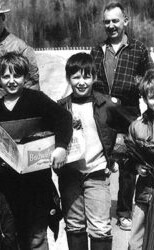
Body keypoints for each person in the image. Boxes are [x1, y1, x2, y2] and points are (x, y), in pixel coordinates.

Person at [0, 52, 72, 250]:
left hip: (36, 184)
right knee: (9, 235)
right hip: (7, 186)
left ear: (25, 77)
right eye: (6, 76)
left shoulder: (37, 100)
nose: (11, 81)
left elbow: (63, 119)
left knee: (36, 236)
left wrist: (61, 147)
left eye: (16, 75)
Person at [90, 1, 154, 231]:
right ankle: (99, 208)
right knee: (101, 160)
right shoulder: (97, 50)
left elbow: (149, 82)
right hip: (104, 112)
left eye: (115, 20)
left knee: (129, 163)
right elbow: (91, 83)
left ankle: (125, 211)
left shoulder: (139, 49)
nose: (111, 25)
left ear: (125, 21)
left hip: (129, 112)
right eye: (106, 22)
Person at [57, 52, 117, 250]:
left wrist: (116, 157)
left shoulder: (105, 104)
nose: (81, 82)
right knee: (74, 225)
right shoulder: (60, 107)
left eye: (86, 76)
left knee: (100, 227)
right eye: (76, 77)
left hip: (97, 174)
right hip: (70, 176)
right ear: (68, 78)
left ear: (94, 78)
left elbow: (126, 132)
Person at [127, 69, 154, 250]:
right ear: (144, 99)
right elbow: (127, 156)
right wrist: (137, 166)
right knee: (136, 237)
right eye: (153, 97)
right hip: (145, 192)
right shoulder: (137, 126)